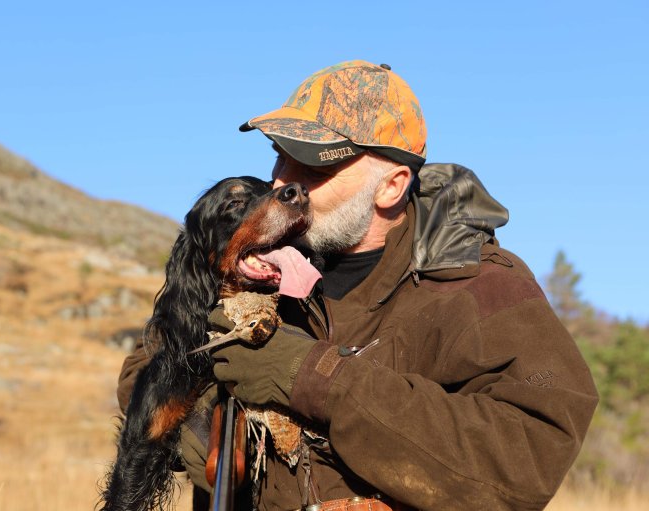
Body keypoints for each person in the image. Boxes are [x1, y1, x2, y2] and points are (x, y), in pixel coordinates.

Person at [118, 60, 598, 510]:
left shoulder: (479, 287)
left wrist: (315, 377)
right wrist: (202, 418)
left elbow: (527, 457)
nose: (285, 183)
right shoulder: (260, 268)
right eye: (280, 158)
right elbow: (146, 363)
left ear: (391, 185)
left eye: (315, 168)